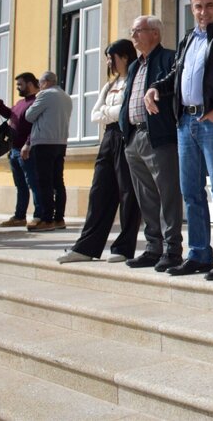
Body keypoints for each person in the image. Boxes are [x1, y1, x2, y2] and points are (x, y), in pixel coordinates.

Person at [145, 0, 213, 279]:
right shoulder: (188, 38)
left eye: (209, 5)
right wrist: (155, 88)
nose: (203, 11)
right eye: (198, 6)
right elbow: (177, 74)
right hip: (185, 123)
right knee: (191, 192)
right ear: (191, 8)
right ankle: (199, 255)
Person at [58, 40, 142, 263]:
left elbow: (127, 110)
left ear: (124, 57)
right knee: (99, 191)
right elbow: (94, 114)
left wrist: (109, 111)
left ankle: (124, 247)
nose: (108, 62)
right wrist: (112, 111)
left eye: (111, 57)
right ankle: (86, 247)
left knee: (128, 192)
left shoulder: (135, 79)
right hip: (108, 137)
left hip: (127, 135)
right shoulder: (110, 84)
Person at [119, 15, 182, 271]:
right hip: (133, 137)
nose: (133, 36)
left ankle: (172, 249)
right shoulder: (135, 65)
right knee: (145, 196)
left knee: (167, 194)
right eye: (132, 30)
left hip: (158, 136)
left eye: (138, 31)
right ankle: (153, 248)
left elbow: (174, 90)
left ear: (155, 33)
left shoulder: (169, 59)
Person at [24, 72, 73, 232]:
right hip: (60, 142)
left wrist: (37, 98)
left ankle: (47, 219)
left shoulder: (45, 95)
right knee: (58, 181)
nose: (39, 86)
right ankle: (59, 218)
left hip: (44, 142)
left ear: (45, 82)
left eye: (40, 83)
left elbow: (29, 116)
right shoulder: (66, 96)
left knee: (44, 182)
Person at [0, 73, 40, 228]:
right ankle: (19, 216)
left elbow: (36, 126)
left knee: (33, 183)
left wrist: (28, 144)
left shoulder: (36, 102)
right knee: (20, 185)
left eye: (20, 84)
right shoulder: (20, 103)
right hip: (14, 150)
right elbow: (11, 115)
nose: (17, 88)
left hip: (27, 150)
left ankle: (39, 215)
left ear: (30, 84)